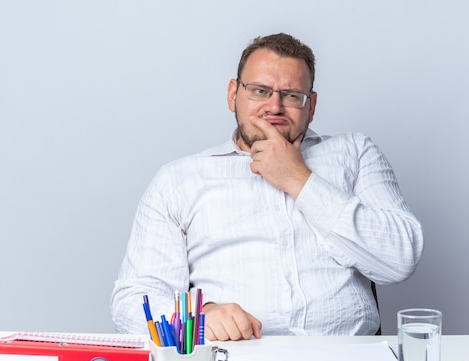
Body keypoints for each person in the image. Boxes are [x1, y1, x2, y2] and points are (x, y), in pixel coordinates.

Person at [111, 33, 424, 341]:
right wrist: (201, 316)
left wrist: (298, 177)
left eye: (291, 95)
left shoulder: (354, 152)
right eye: (260, 91)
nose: (274, 107)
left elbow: (399, 261)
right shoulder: (178, 180)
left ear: (311, 105)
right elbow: (132, 303)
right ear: (233, 94)